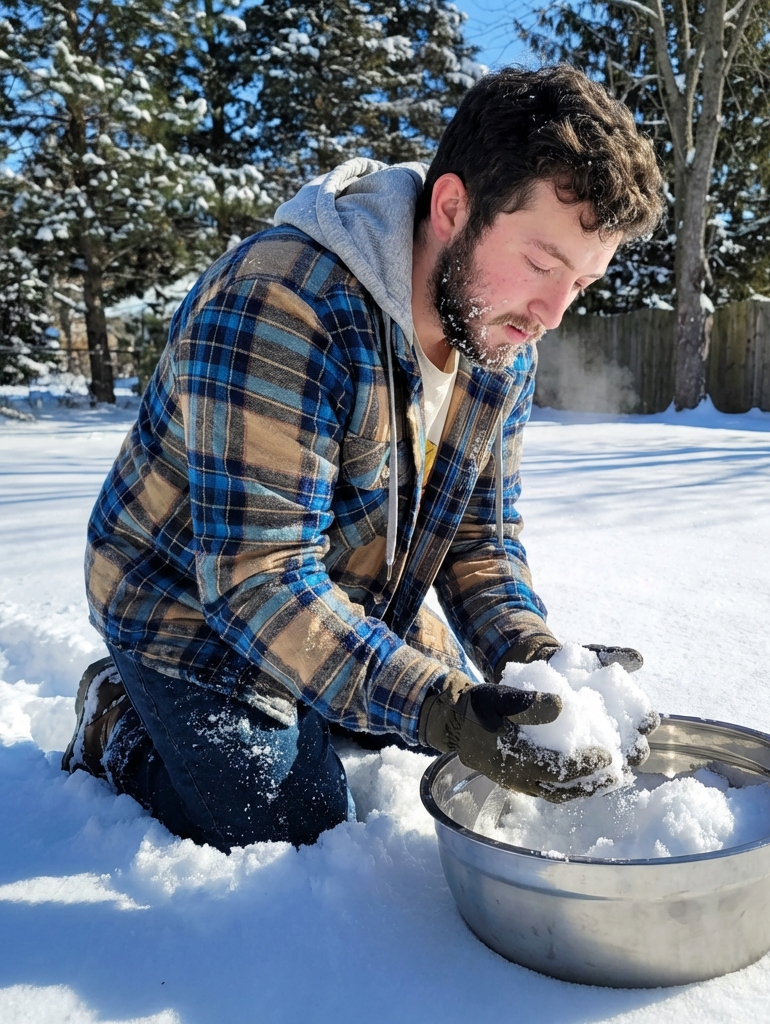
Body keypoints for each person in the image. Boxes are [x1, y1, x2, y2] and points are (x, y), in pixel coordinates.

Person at [63, 64, 664, 852]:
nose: (552, 314)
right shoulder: (282, 303)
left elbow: (479, 541)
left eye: (581, 284)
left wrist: (543, 662)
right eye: (544, 265)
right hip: (187, 598)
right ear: (453, 207)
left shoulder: (499, 337)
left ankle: (325, 703)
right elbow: (256, 580)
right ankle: (117, 715)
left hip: (353, 575)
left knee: (477, 727)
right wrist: (443, 706)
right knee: (294, 823)